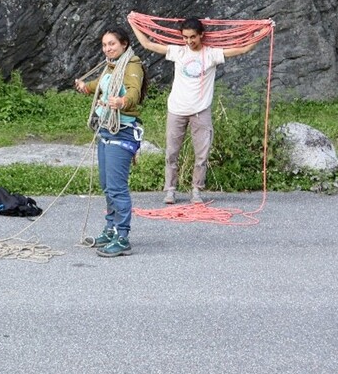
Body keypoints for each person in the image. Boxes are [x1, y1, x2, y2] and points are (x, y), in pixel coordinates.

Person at [128, 15, 264, 204]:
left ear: (201, 35)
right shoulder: (178, 52)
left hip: (201, 110)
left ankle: (196, 190)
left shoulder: (211, 54)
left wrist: (263, 31)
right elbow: (147, 44)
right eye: (185, 37)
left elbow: (243, 48)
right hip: (176, 109)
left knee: (202, 154)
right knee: (171, 153)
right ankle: (170, 190)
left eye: (192, 37)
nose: (189, 41)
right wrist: (133, 22)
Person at [75, 26, 146, 258]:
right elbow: (101, 83)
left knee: (117, 188)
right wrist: (86, 87)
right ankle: (111, 229)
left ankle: (122, 237)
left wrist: (122, 102)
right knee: (107, 186)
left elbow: (134, 91)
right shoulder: (111, 66)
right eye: (105, 45)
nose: (107, 48)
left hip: (122, 132)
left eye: (112, 44)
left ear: (124, 44)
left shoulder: (132, 65)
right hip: (106, 130)